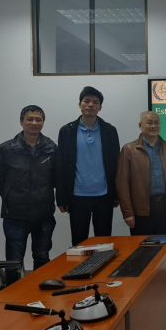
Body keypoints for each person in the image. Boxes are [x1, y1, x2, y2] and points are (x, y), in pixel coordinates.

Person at [0, 105, 57, 285]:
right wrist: (10, 195)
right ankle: (12, 294)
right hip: (15, 215)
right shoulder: (6, 149)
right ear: (21, 122)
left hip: (44, 214)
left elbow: (56, 177)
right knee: (14, 260)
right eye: (30, 119)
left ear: (43, 122)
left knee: (42, 256)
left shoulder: (51, 148)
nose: (34, 123)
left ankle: (40, 293)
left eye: (38, 119)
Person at [56, 87, 120, 246]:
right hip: (77, 196)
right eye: (87, 101)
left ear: (100, 107)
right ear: (80, 104)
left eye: (95, 102)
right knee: (79, 242)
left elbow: (116, 164)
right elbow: (61, 165)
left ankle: (103, 264)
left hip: (104, 195)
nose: (90, 105)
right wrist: (61, 197)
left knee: (104, 242)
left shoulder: (110, 131)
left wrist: (116, 194)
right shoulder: (67, 131)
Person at [116, 112, 166, 235]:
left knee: (164, 244)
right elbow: (122, 184)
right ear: (140, 126)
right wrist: (127, 212)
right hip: (140, 209)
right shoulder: (128, 149)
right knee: (142, 245)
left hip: (165, 207)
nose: (153, 126)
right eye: (149, 123)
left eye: (156, 123)